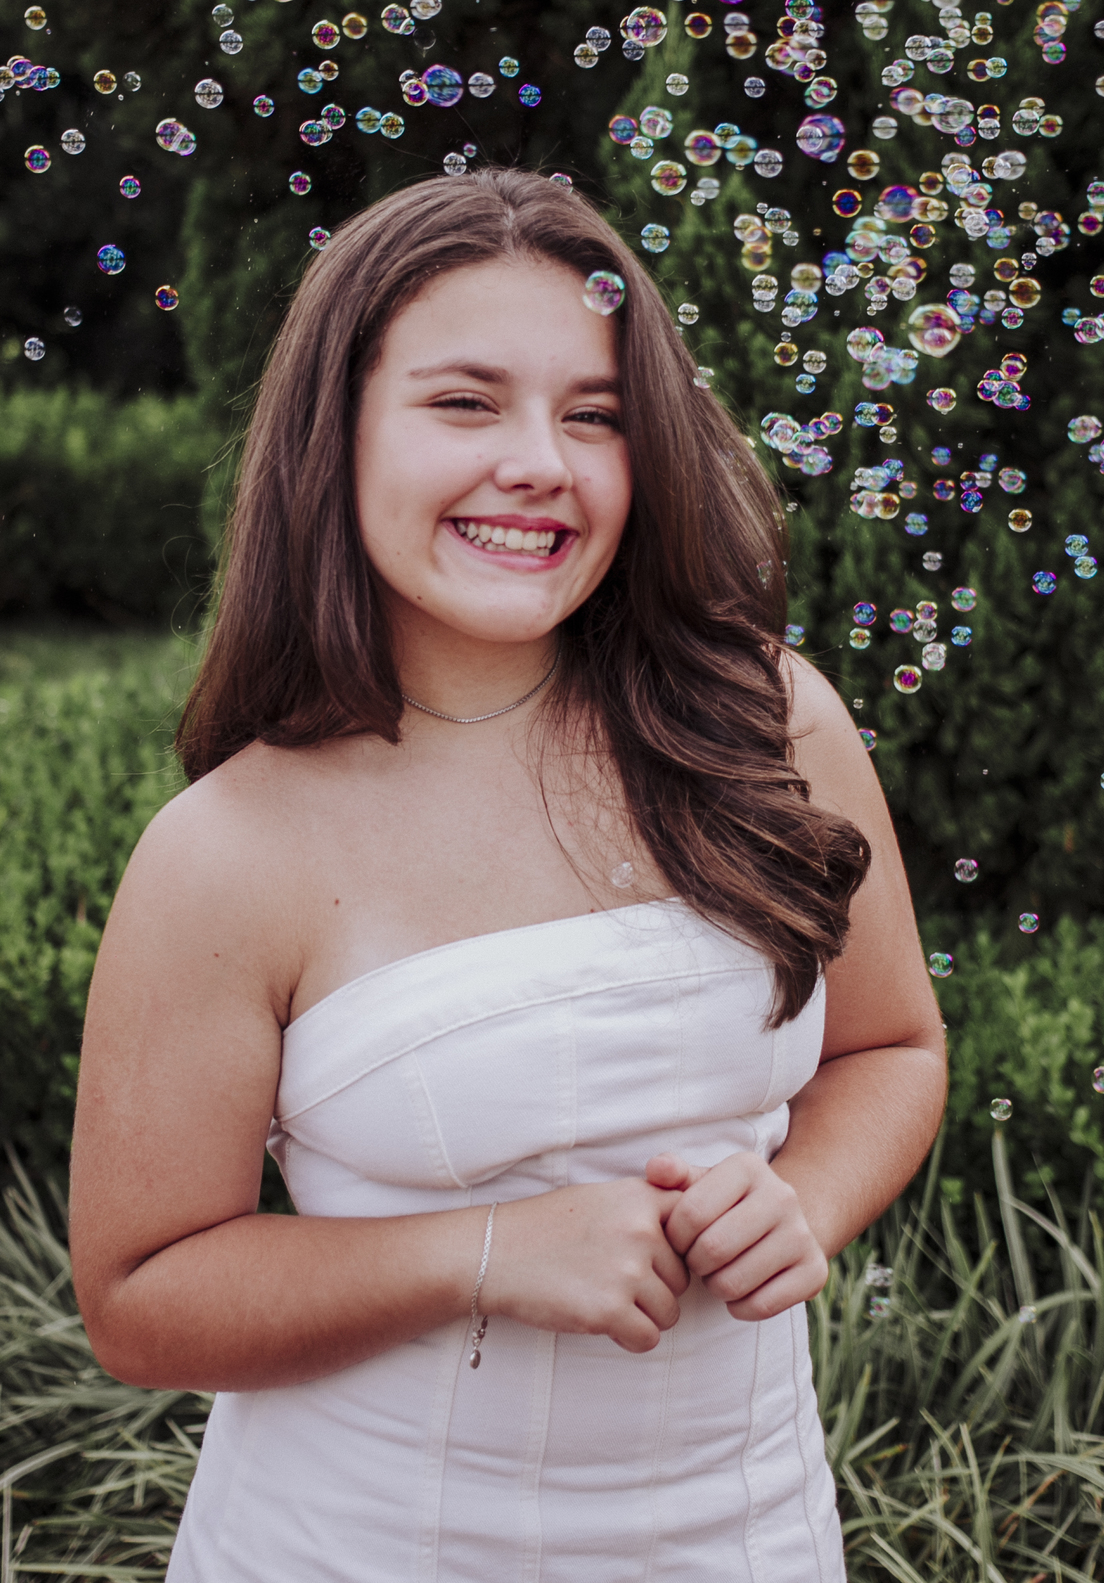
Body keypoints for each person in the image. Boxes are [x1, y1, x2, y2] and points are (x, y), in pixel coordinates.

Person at [69, 167, 946, 1582]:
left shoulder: (770, 724)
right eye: (466, 403)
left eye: (595, 415)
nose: (542, 462)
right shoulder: (230, 851)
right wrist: (482, 1253)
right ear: (337, 432)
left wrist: (808, 1200)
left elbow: (892, 1048)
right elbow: (139, 1299)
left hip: (747, 1540)